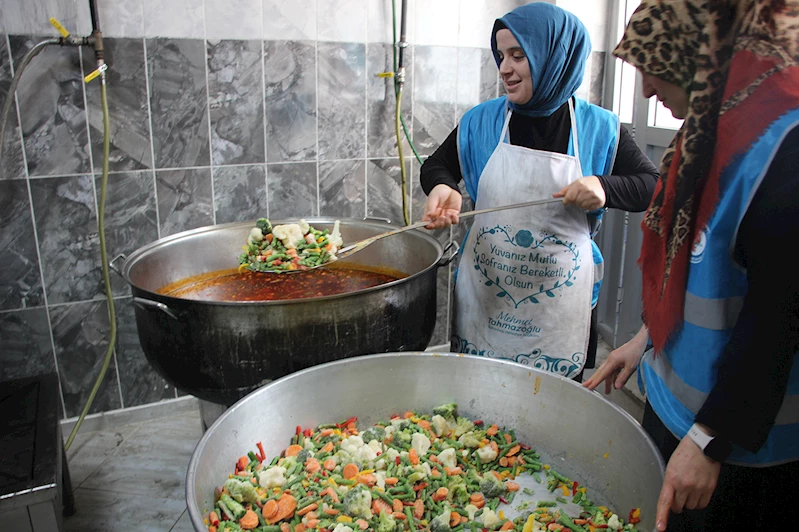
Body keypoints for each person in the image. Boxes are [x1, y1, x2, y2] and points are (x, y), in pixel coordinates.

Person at [584, 0, 799, 530]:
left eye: (652, 67)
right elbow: (702, 272)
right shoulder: (708, 131)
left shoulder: (782, 149)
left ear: (703, 49)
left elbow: (779, 319)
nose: (647, 92)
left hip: (741, 445)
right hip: (676, 406)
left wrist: (708, 440)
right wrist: (643, 340)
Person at [420, 2, 658, 381]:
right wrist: (443, 186)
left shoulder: (599, 128)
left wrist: (603, 186)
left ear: (554, 56)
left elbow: (652, 185)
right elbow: (436, 164)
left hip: (558, 306)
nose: (504, 68)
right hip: (487, 298)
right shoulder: (481, 120)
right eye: (501, 55)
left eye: (518, 55)